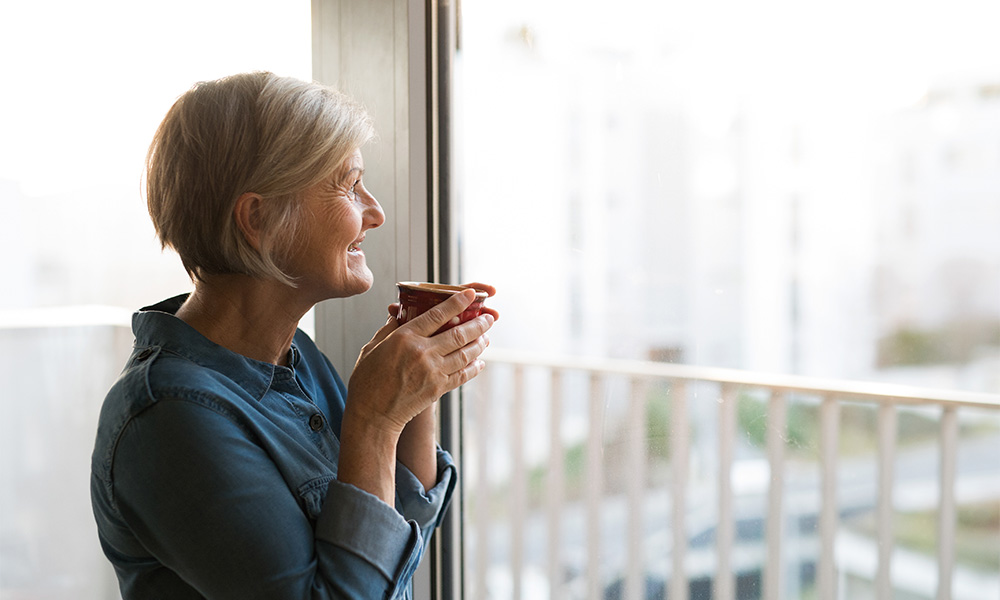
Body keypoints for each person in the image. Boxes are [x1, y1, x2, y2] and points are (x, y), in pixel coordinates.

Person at [90, 71, 497, 599]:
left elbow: (393, 549)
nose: (374, 212)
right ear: (258, 220)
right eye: (349, 186)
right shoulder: (168, 418)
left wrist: (415, 395)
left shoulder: (293, 359)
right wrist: (373, 422)